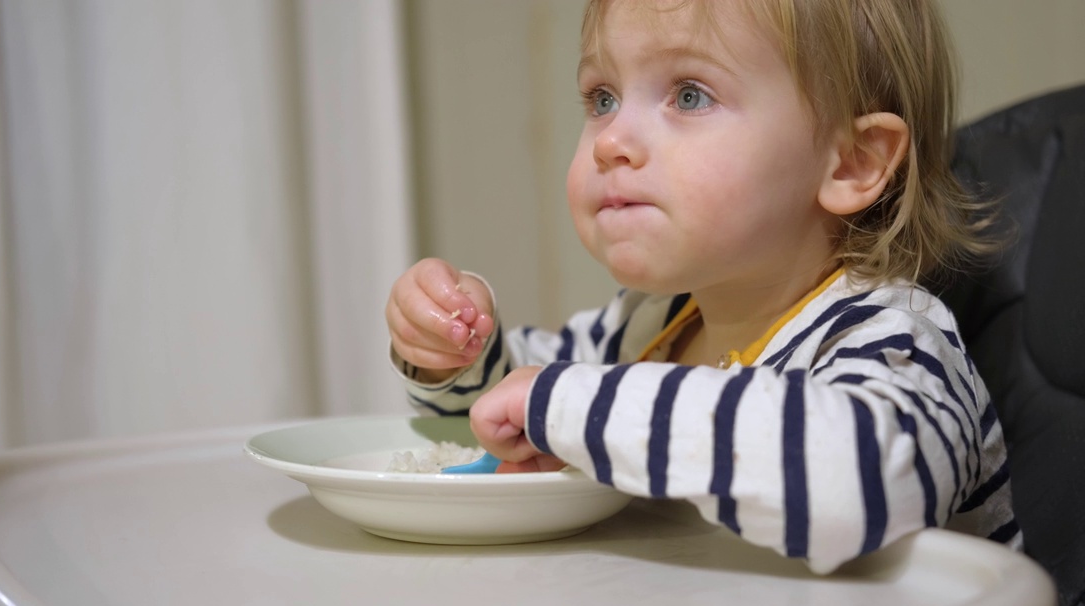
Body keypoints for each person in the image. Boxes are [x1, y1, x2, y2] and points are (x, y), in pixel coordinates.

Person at [385, 0, 1018, 574]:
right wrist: (455, 349)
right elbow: (504, 415)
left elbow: (855, 485)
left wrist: (573, 405)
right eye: (602, 97)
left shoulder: (896, 338)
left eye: (689, 96)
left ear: (853, 161)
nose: (610, 141)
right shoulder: (644, 327)